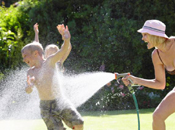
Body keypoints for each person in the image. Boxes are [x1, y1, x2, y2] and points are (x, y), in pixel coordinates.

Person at [21, 24, 84, 130]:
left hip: (61, 101)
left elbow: (62, 51)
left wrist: (67, 40)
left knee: (78, 123)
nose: (23, 59)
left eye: (25, 56)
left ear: (36, 54)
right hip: (46, 107)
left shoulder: (50, 62)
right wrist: (29, 87)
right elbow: (28, 89)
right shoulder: (30, 72)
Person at [122, 19, 175, 130]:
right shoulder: (156, 55)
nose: (143, 38)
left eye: (145, 35)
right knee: (157, 116)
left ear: (154, 35)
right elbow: (160, 84)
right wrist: (136, 80)